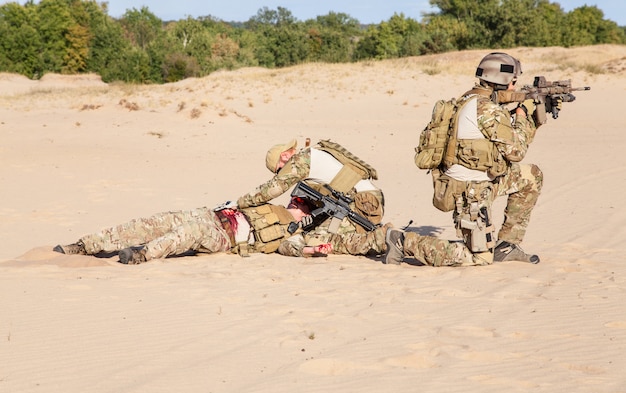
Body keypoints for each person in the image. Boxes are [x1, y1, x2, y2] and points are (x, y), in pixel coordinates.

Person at [387, 52, 543, 266]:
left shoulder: (470, 99)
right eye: (514, 82)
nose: (515, 87)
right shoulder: (486, 109)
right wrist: (524, 118)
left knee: (531, 176)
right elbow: (516, 152)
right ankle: (403, 241)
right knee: (479, 257)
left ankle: (506, 245)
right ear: (502, 80)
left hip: (481, 182)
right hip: (470, 193)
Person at [53, 196, 389, 264]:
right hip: (211, 213)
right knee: (147, 223)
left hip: (223, 238)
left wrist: (313, 251)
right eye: (300, 198)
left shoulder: (290, 231)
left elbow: (292, 248)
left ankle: (142, 255)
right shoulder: (270, 201)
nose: (298, 202)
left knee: (187, 234)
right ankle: (83, 245)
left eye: (305, 204)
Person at [236, 139, 385, 231]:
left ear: (285, 156)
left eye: (280, 170)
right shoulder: (314, 153)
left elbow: (272, 189)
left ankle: (387, 238)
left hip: (363, 205)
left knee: (316, 238)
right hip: (369, 202)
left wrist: (240, 203)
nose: (282, 174)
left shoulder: (301, 160)